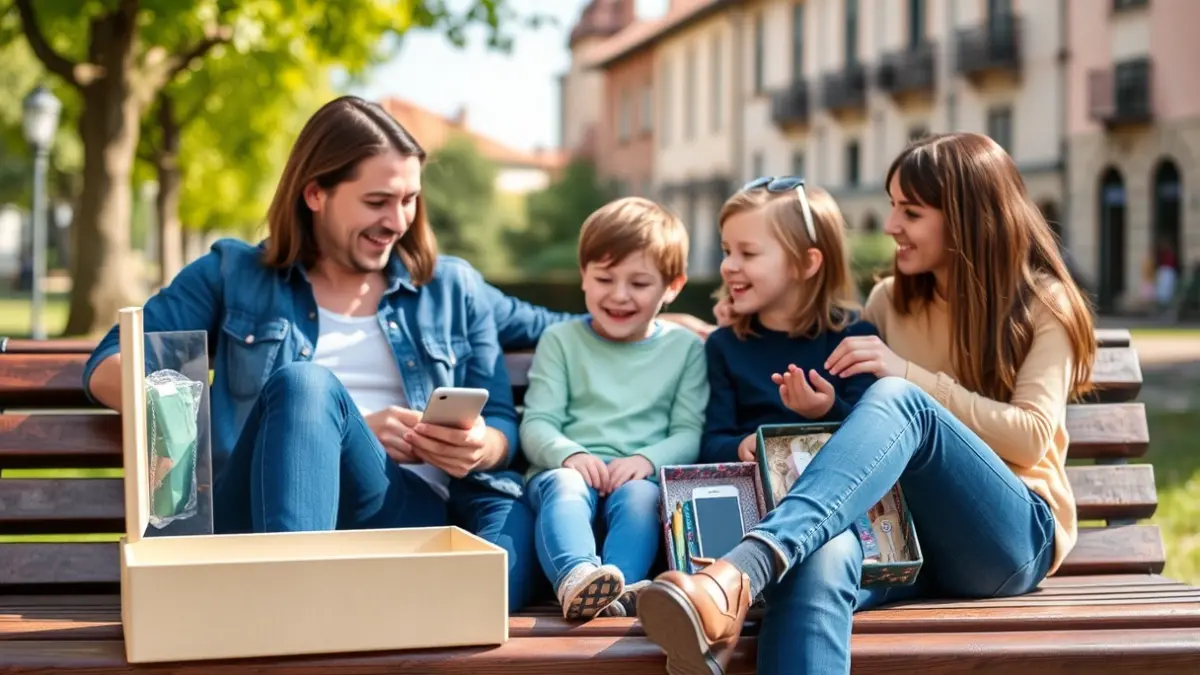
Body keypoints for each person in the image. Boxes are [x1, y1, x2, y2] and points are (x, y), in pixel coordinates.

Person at [80, 95, 714, 614]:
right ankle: (291, 612)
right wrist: (340, 426)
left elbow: (531, 374)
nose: (399, 220)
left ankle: (322, 611)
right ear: (315, 193)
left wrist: (482, 446)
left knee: (491, 575)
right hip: (268, 512)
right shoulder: (234, 274)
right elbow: (112, 364)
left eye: (409, 200)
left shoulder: (450, 288)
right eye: (378, 202)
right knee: (306, 388)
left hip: (411, 511)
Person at [637, 132, 1097, 675]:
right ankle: (744, 583)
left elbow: (1030, 436)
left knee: (900, 397)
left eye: (912, 211)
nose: (891, 226)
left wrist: (912, 377)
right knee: (819, 554)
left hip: (1007, 539)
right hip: (901, 540)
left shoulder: (1045, 305)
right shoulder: (891, 301)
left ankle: (741, 572)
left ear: (968, 218)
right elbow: (868, 440)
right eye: (893, 207)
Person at [520, 197, 708, 620]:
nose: (619, 296)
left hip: (637, 477)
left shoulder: (685, 350)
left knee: (642, 496)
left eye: (639, 284)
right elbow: (539, 422)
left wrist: (645, 460)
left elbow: (687, 432)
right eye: (604, 278)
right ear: (584, 276)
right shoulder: (561, 341)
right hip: (563, 474)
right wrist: (571, 455)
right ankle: (576, 577)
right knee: (567, 486)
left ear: (673, 287)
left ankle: (620, 587)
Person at [701, 177, 878, 466]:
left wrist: (826, 410)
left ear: (806, 264)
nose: (728, 266)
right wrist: (741, 445)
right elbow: (710, 444)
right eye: (727, 251)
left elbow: (877, 442)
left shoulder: (856, 340)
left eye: (748, 253)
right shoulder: (724, 345)